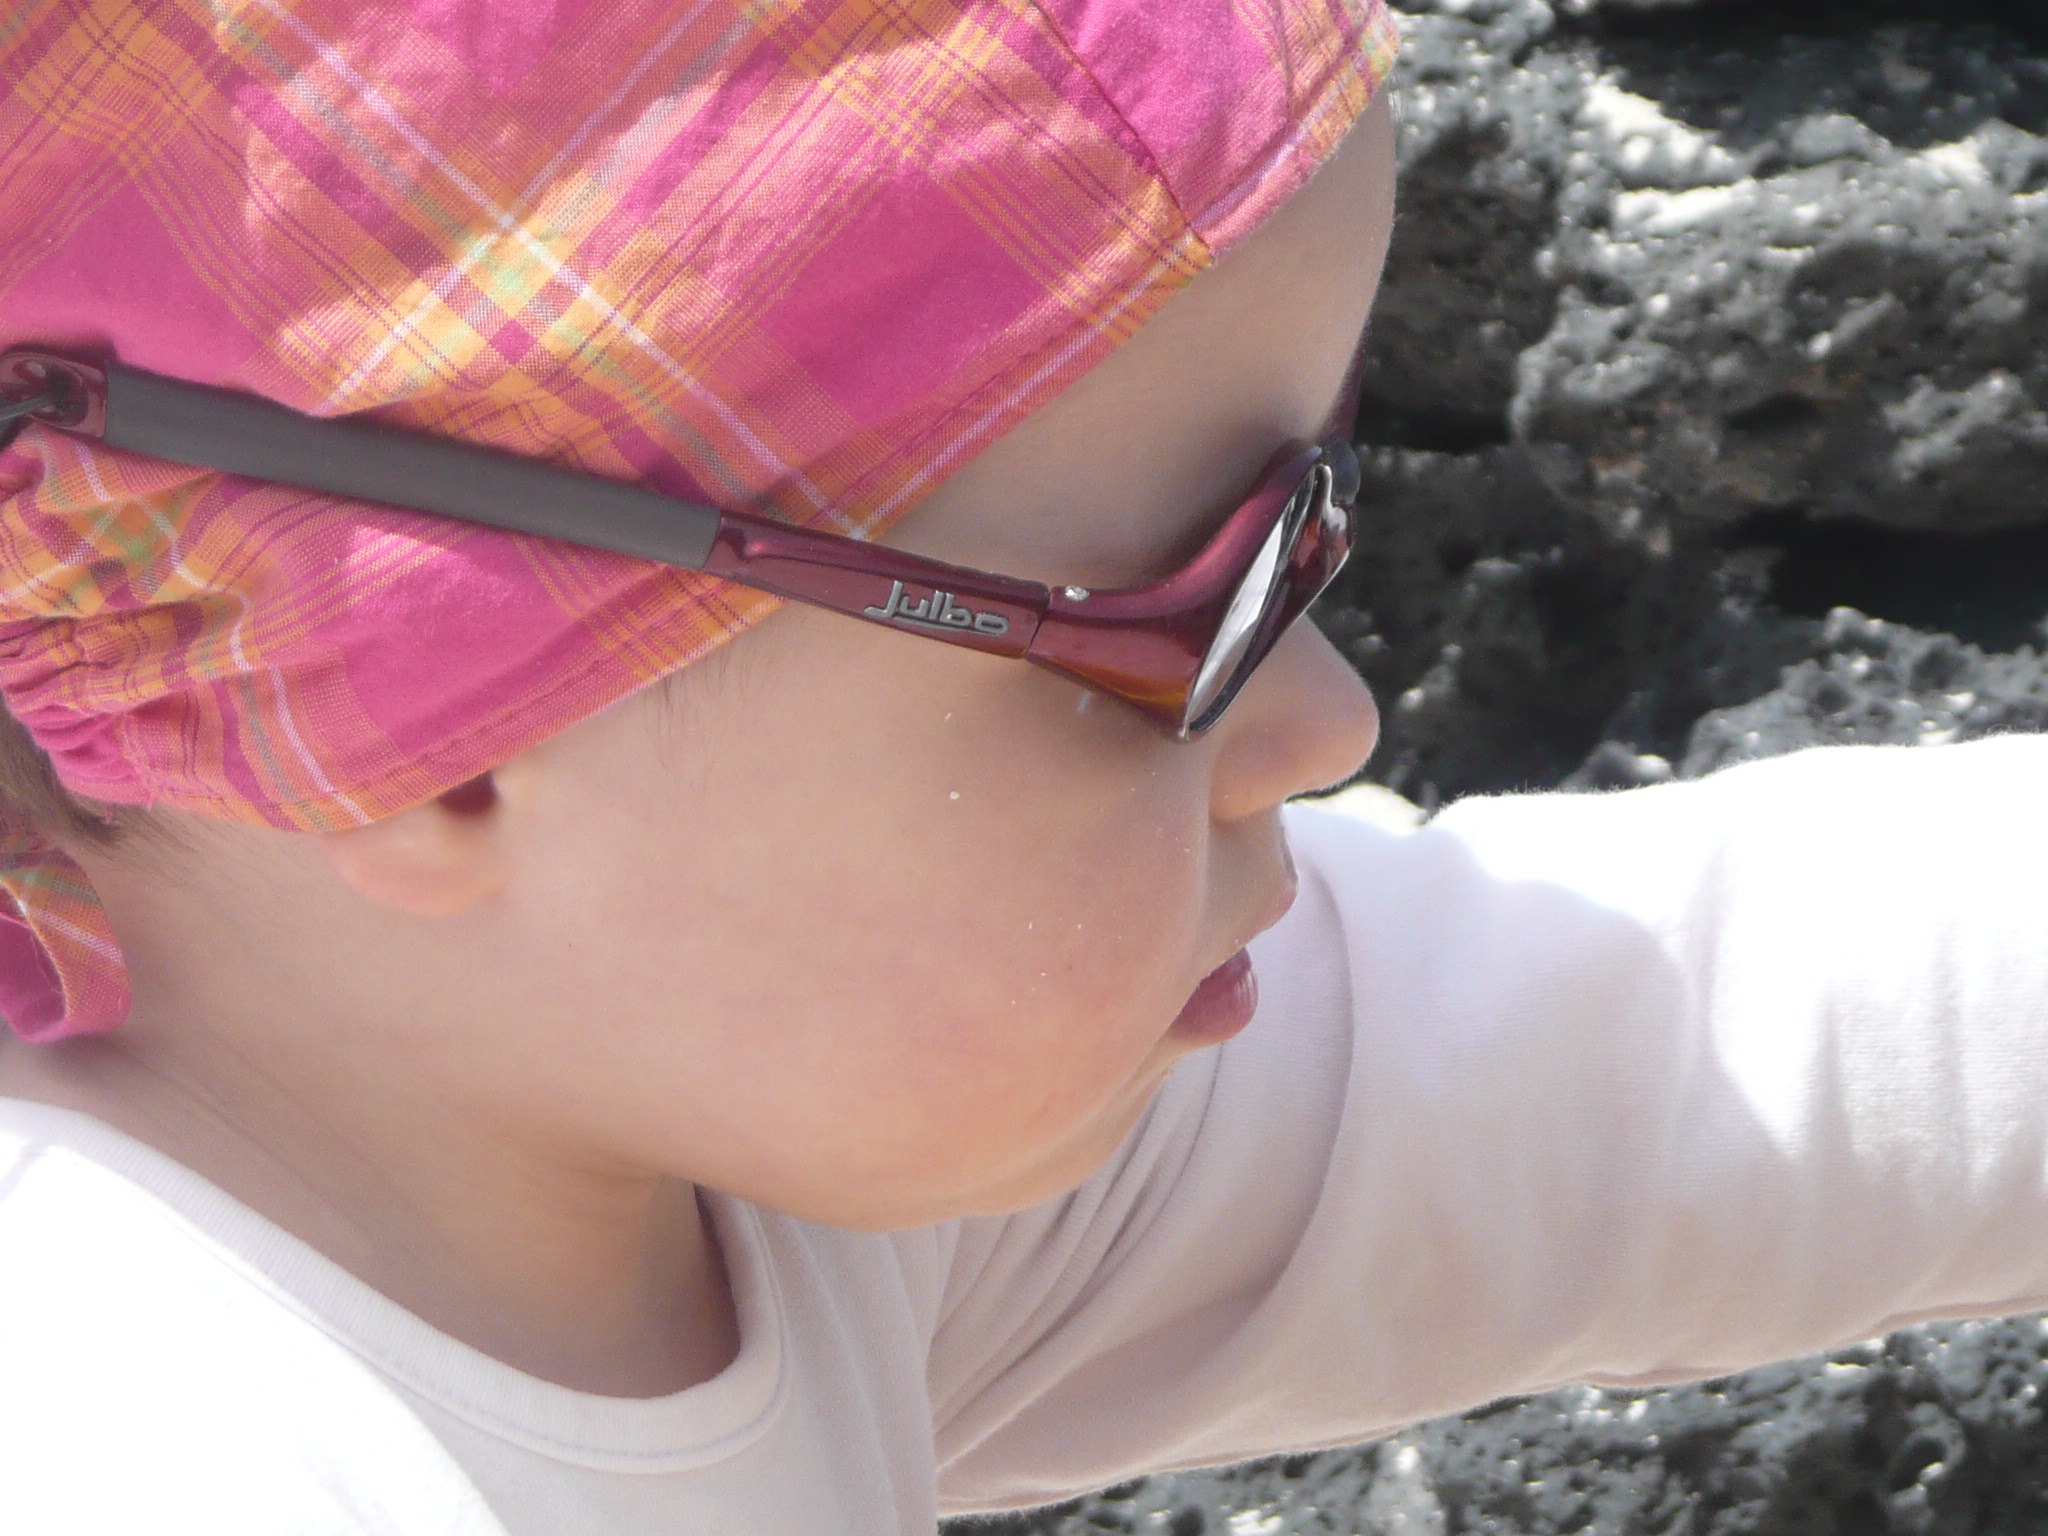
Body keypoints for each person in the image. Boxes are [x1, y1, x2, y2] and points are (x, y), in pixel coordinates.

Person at [3, 2, 2048, 1532]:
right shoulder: (145, 1449)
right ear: (431, 745)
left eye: (1329, 508)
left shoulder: (657, 1135)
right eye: (1193, 606)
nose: (1330, 720)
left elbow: (1706, 1053)